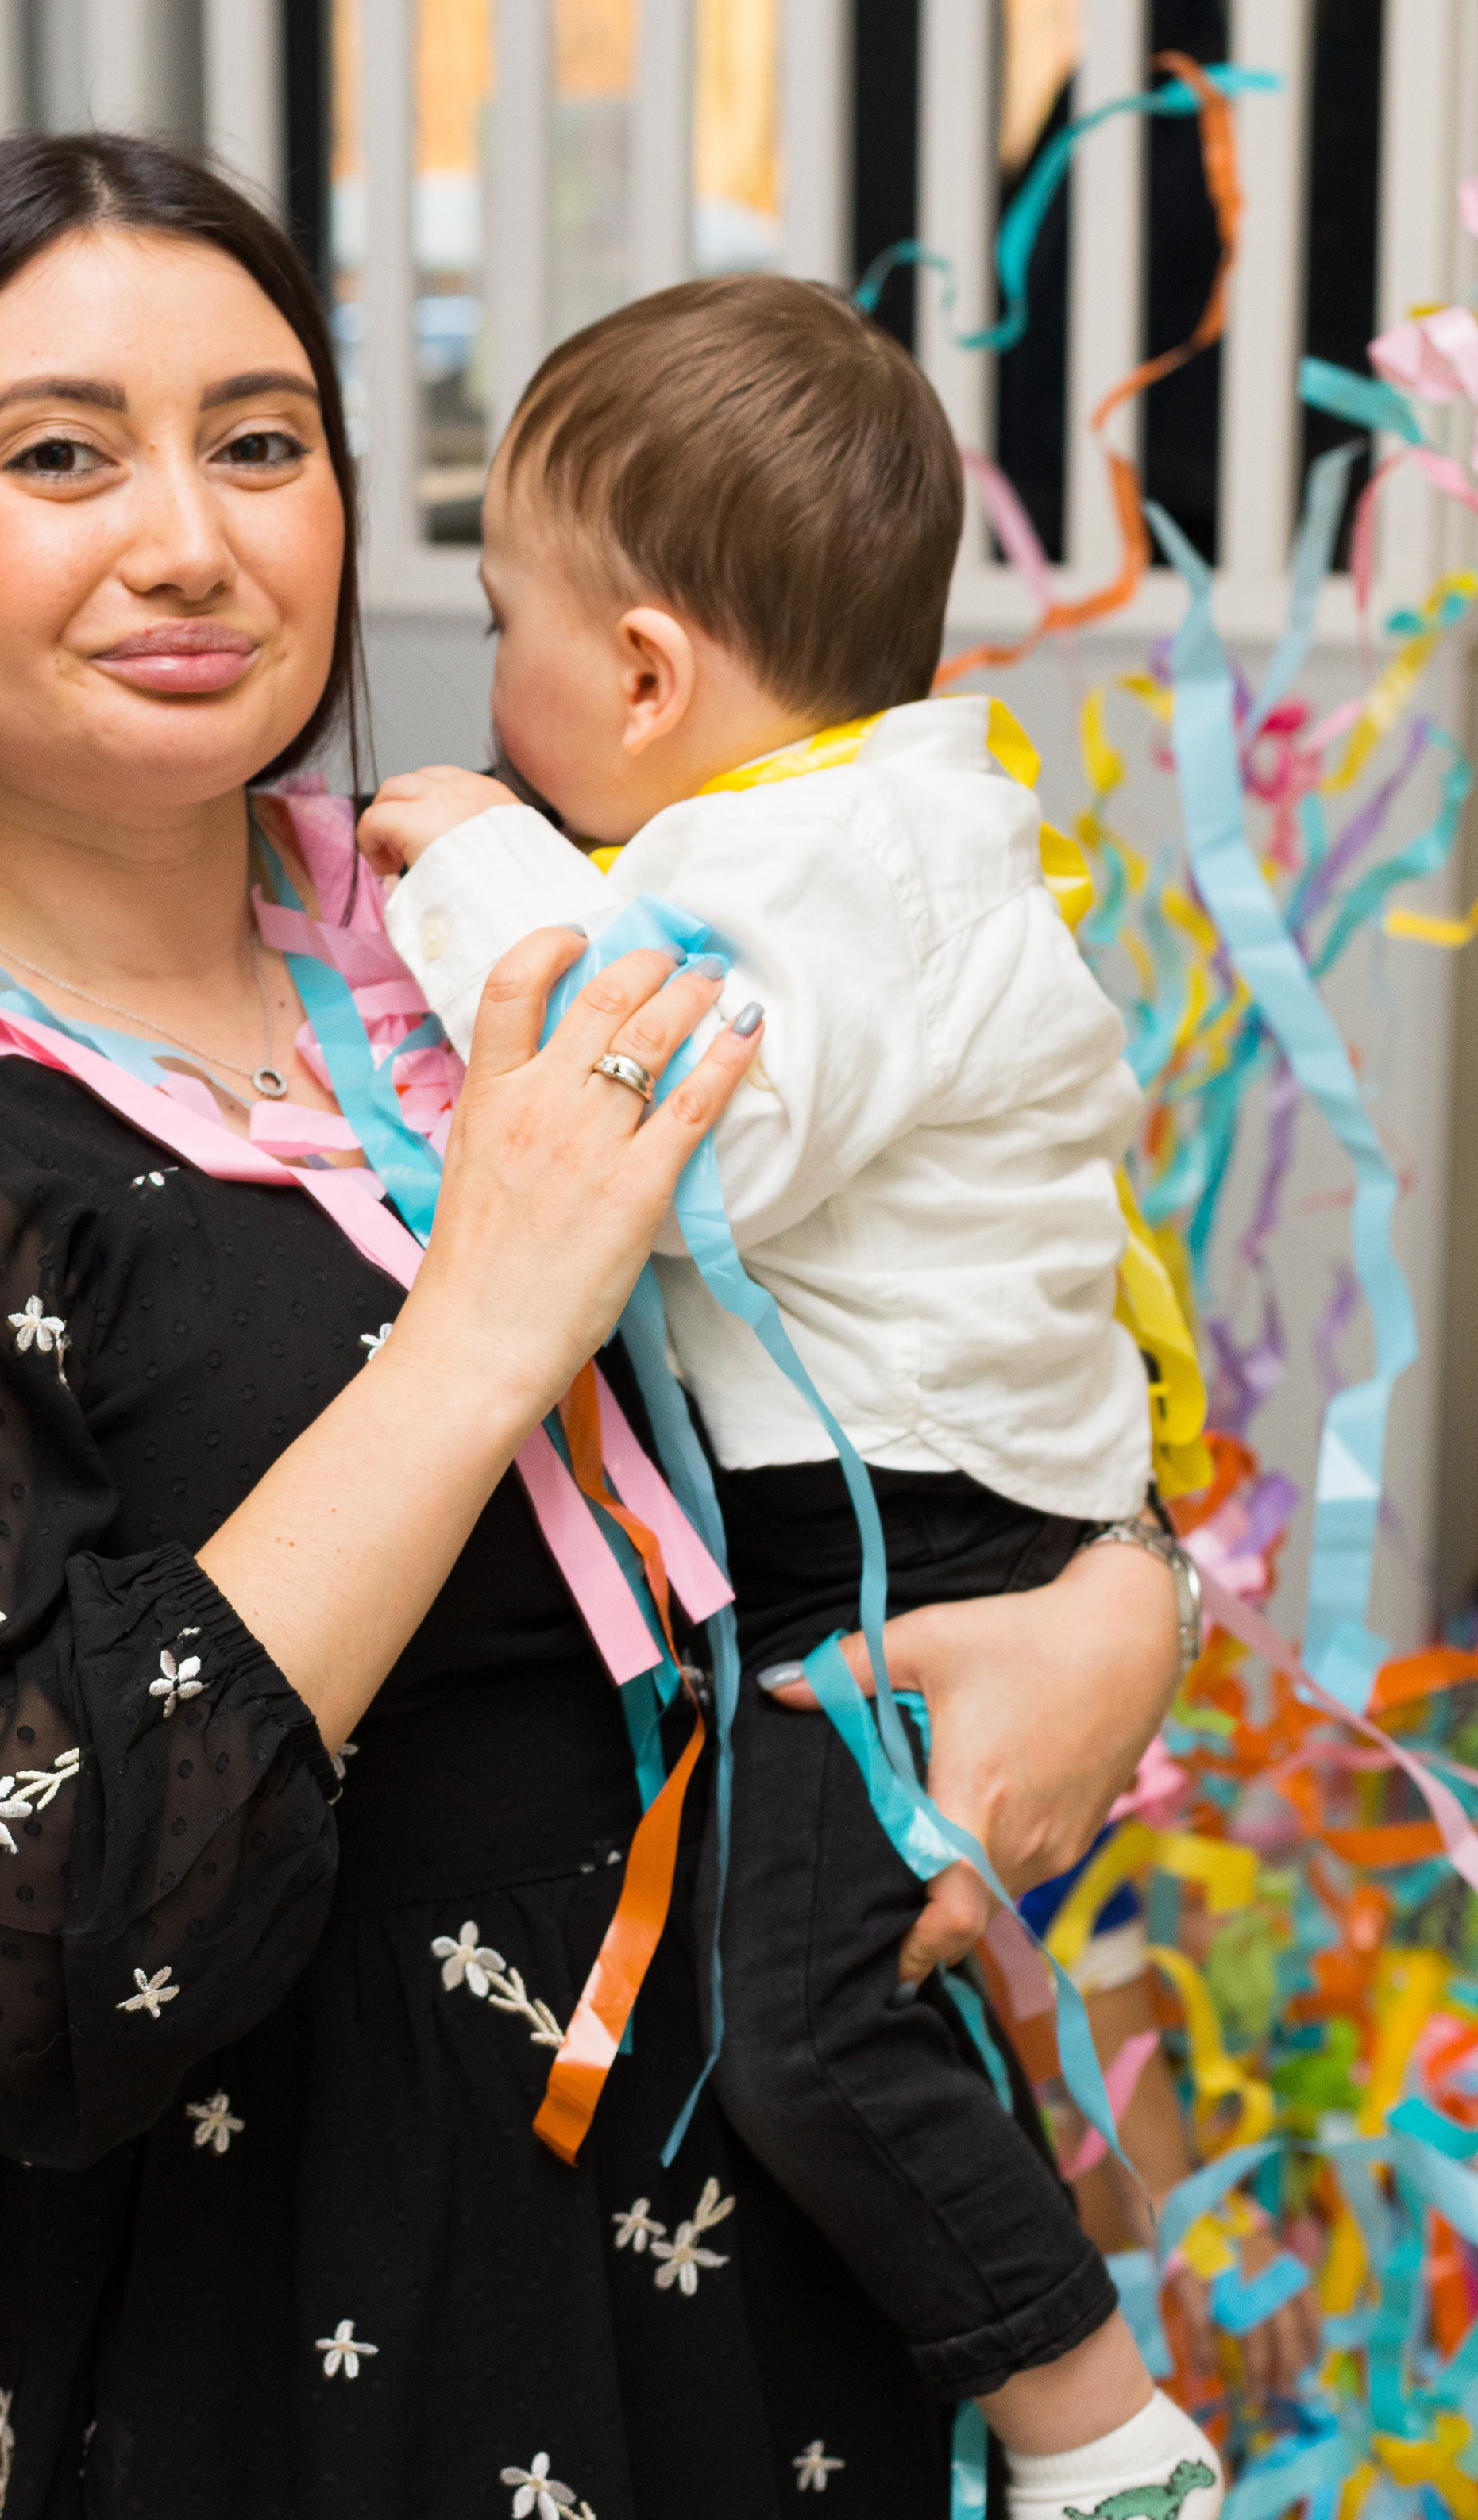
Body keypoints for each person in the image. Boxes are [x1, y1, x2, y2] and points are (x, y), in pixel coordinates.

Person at [0, 137, 1184, 2520]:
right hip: (313, 2308)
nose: (190, 539)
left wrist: (1121, 1602)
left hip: (791, 2210)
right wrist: (471, 1339)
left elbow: (962, 1275)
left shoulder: (504, 914)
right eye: (61, 455)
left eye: (261, 443)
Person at [361, 276, 1221, 2520]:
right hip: (938, 1510)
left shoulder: (808, 868)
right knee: (866, 2008)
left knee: (820, 2019)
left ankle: (1105, 2441)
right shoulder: (849, 834)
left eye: (503, 623)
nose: (493, 676)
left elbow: (672, 1139)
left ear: (645, 674)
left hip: (922, 1543)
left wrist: (476, 879)